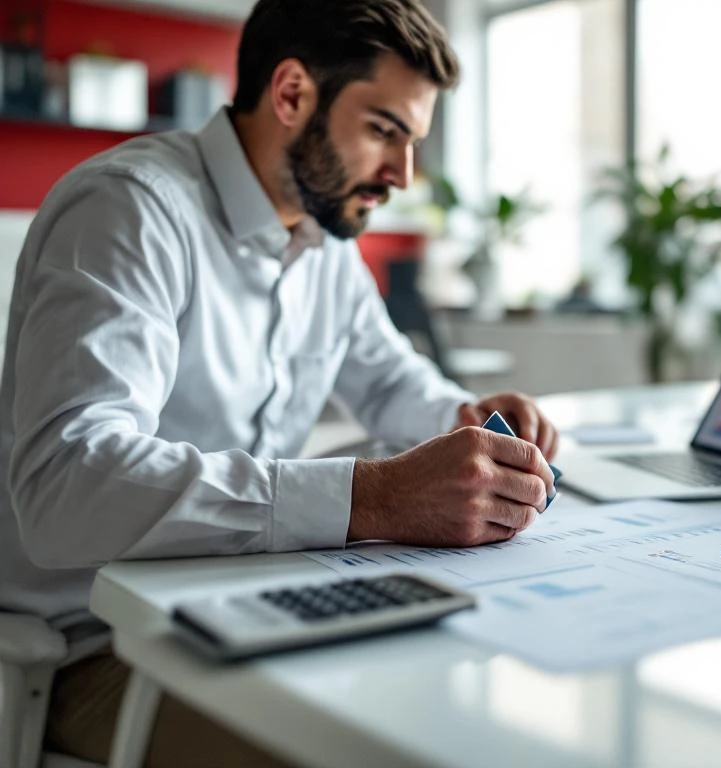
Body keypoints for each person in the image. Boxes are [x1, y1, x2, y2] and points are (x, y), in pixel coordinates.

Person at [0, 1, 558, 764]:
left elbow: (388, 379)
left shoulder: (324, 242)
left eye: (412, 142)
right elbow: (69, 487)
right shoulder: (129, 210)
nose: (402, 175)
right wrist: (372, 497)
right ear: (292, 94)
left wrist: (469, 419)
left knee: (480, 709)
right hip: (100, 645)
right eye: (384, 131)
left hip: (255, 604)